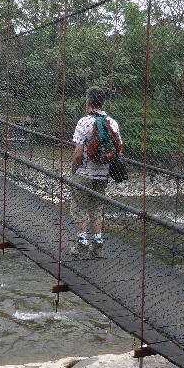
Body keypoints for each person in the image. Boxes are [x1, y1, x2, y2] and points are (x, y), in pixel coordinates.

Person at [69, 86, 122, 258]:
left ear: (88, 101)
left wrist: (73, 172)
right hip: (102, 176)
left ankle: (82, 244)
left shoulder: (83, 122)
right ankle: (97, 244)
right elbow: (119, 151)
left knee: (79, 208)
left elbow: (77, 154)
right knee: (97, 208)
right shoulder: (112, 123)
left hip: (84, 174)